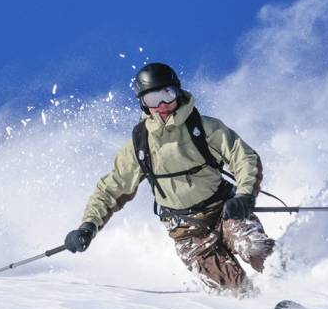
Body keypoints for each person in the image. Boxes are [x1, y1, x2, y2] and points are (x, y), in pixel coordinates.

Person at [64, 62, 274, 295]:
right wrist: (88, 226)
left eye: (167, 95)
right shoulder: (140, 145)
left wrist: (244, 196)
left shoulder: (204, 128)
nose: (162, 105)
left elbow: (244, 158)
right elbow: (110, 190)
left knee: (255, 247)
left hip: (225, 210)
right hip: (187, 230)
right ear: (143, 103)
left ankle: (293, 286)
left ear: (178, 92)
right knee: (232, 290)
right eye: (152, 100)